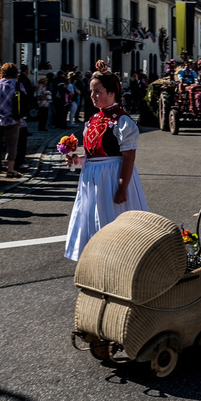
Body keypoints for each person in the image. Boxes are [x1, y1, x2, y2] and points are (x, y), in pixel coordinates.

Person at [63, 69, 149, 262]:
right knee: (94, 219)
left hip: (112, 178)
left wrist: (122, 187)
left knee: (112, 219)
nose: (93, 95)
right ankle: (96, 260)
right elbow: (93, 155)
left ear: (112, 93)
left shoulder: (121, 120)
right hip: (92, 180)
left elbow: (128, 157)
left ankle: (117, 259)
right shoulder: (93, 119)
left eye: (98, 91)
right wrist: (77, 160)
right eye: (91, 91)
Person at [0, 63, 25, 178]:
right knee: (12, 145)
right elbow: (24, 99)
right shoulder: (17, 85)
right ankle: (10, 169)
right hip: (12, 119)